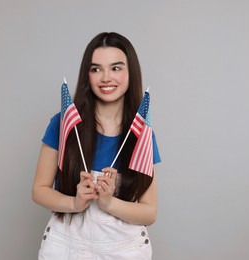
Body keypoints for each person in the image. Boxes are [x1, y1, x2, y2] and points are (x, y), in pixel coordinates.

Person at [32, 32, 161, 259]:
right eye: (96, 69)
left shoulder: (142, 135)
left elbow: (149, 212)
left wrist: (109, 202)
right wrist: (75, 202)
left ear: (131, 73)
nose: (105, 78)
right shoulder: (63, 123)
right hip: (66, 245)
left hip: (123, 249)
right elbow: (39, 190)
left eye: (116, 68)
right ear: (87, 75)